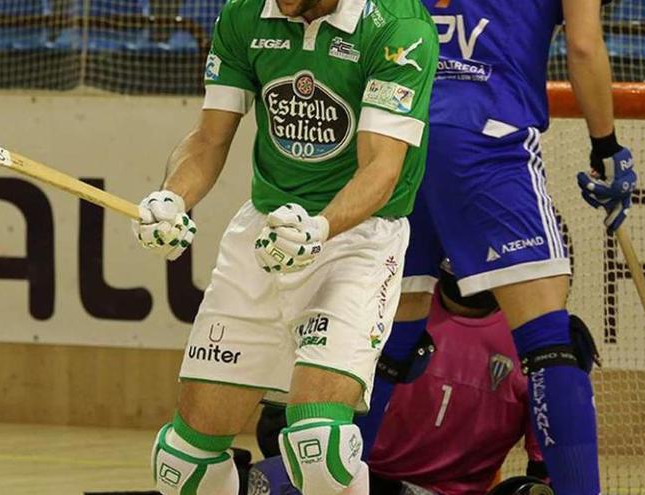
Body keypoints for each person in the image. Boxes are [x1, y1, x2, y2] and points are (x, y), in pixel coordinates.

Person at [131, 0, 438, 491]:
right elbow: (209, 139)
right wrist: (173, 198)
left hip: (355, 241)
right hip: (262, 234)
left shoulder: (399, 28)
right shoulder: (244, 13)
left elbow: (382, 168)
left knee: (321, 449)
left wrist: (318, 228)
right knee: (182, 464)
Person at [352, 0, 638, 493]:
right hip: (488, 136)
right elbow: (585, 45)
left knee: (390, 341)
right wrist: (606, 147)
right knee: (551, 341)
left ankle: (334, 483)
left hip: (396, 137)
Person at [250, 269, 600, 494]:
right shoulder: (390, 304)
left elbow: (546, 470)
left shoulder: (534, 343)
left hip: (451, 493)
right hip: (361, 479)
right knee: (269, 479)